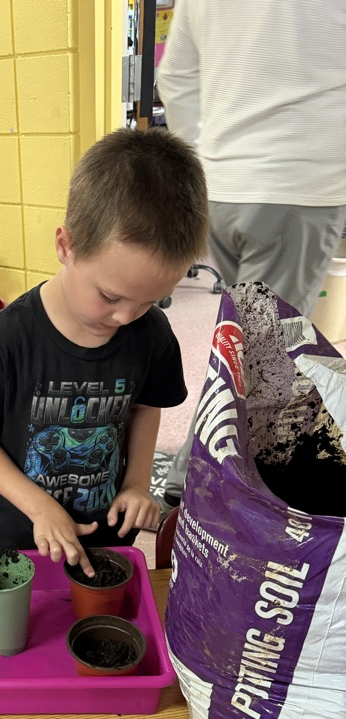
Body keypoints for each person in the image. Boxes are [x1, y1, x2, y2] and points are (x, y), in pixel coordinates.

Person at [0, 128, 209, 575]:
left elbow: (145, 408)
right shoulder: (8, 338)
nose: (126, 317)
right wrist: (41, 507)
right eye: (109, 296)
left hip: (107, 535)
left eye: (151, 300)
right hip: (21, 538)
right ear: (65, 246)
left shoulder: (152, 334)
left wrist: (138, 484)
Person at [157, 0, 346, 507]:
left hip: (220, 186)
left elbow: (174, 78)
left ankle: (202, 478)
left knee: (245, 341)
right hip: (297, 183)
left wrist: (199, 161)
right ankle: (198, 482)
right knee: (264, 357)